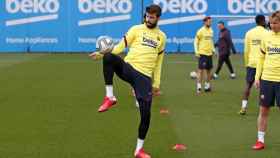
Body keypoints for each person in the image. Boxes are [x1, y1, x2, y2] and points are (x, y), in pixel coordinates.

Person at [89, 4, 166, 158]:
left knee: (146, 115)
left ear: (158, 18)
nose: (149, 19)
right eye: (147, 16)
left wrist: (156, 83)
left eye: (152, 17)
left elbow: (159, 62)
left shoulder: (162, 37)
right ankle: (110, 97)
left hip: (144, 78)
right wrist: (102, 53)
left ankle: (138, 150)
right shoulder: (135, 29)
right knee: (109, 57)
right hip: (129, 68)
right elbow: (120, 47)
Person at [252, 10, 280, 150]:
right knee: (263, 111)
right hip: (267, 80)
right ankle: (260, 140)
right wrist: (257, 77)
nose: (272, 25)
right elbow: (261, 58)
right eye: (271, 22)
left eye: (275, 23)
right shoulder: (266, 37)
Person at [239, 15, 268, 115]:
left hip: (251, 63)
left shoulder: (249, 33)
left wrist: (247, 63)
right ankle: (262, 109)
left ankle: (243, 107)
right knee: (263, 87)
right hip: (264, 64)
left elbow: (246, 50)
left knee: (248, 85)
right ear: (263, 21)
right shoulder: (267, 33)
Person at [194, 16, 215, 93]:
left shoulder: (211, 30)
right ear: (205, 22)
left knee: (209, 71)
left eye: (211, 21)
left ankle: (207, 86)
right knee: (200, 70)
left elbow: (211, 41)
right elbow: (196, 41)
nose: (210, 23)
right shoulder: (200, 31)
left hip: (209, 54)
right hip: (202, 53)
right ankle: (199, 87)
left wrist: (213, 49)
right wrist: (196, 51)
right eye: (209, 21)